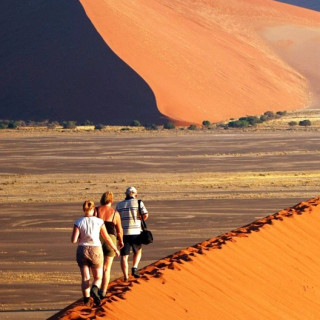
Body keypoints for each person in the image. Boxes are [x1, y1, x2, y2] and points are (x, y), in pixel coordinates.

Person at [71, 200, 120, 306]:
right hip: (96, 250)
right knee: (98, 277)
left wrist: (81, 238)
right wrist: (115, 249)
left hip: (82, 250)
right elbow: (106, 237)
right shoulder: (99, 221)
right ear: (93, 209)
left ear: (84, 210)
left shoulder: (78, 222)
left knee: (85, 278)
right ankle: (95, 288)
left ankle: (86, 300)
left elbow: (73, 240)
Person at [116, 186, 149, 280]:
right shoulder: (139, 202)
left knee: (124, 256)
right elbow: (145, 215)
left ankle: (126, 276)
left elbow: (116, 218)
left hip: (123, 232)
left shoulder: (119, 205)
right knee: (138, 251)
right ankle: (134, 267)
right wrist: (139, 219)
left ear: (126, 195)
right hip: (136, 231)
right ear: (136, 195)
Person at [96, 191, 124, 298]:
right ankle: (102, 291)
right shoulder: (115, 213)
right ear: (111, 200)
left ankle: (96, 287)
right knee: (106, 268)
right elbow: (119, 230)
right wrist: (120, 241)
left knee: (97, 267)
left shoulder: (96, 210)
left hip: (97, 238)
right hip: (111, 239)